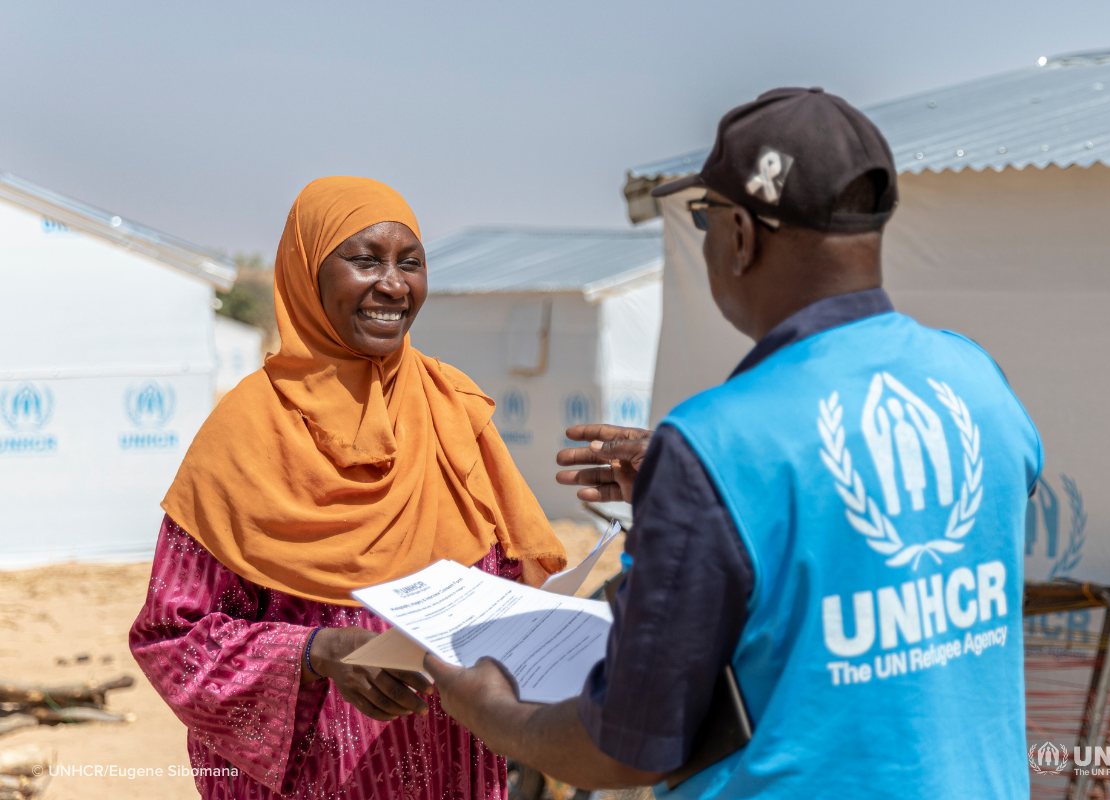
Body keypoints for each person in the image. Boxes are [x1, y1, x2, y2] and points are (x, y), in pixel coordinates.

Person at [425, 88, 1042, 799]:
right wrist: (711, 496)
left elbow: (628, 749)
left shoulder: (718, 442)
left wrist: (492, 712)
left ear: (742, 235)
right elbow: (909, 500)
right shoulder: (974, 378)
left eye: (704, 217)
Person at [128, 176, 566, 800]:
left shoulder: (452, 409)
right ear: (307, 273)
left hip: (453, 767)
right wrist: (316, 651)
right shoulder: (245, 434)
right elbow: (172, 640)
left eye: (410, 263)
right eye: (365, 261)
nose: (393, 284)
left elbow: (513, 579)